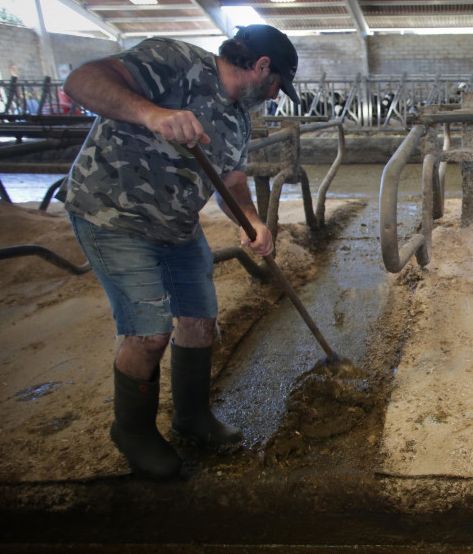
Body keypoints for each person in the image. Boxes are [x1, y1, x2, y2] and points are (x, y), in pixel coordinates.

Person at [63, 25, 299, 479]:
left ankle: (191, 417)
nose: (272, 95)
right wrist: (152, 113)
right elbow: (81, 81)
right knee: (149, 332)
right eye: (275, 86)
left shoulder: (238, 117)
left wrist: (252, 221)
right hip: (114, 218)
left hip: (178, 227)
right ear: (263, 68)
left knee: (199, 320)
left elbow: (230, 181)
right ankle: (131, 430)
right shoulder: (173, 60)